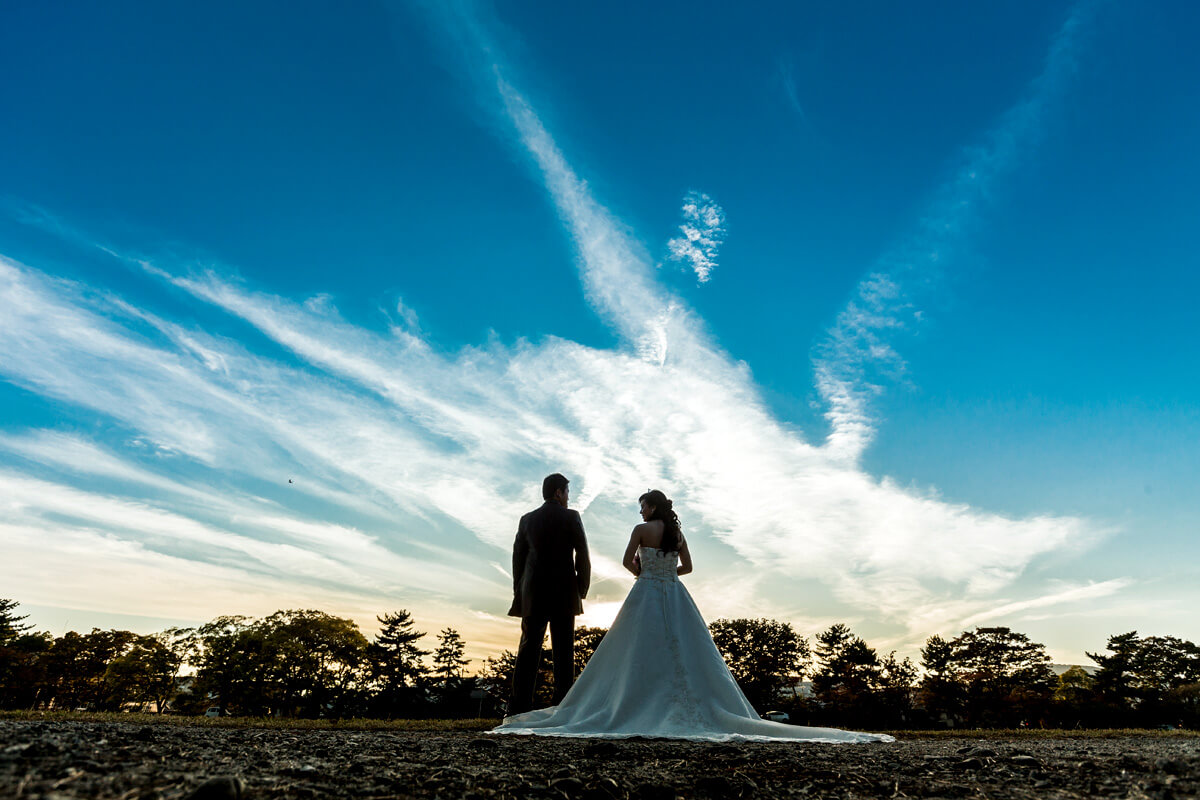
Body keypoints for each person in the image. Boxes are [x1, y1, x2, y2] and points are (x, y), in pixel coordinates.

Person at [493, 490, 893, 743]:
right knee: (686, 649)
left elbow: (625, 561)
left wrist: (644, 572)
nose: (640, 509)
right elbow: (687, 568)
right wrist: (666, 573)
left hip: (646, 590)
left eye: (642, 504)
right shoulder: (677, 535)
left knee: (634, 650)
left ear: (650, 506)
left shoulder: (640, 529)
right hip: (674, 593)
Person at [507, 473, 591, 715]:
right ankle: (563, 707)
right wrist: (581, 589)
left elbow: (518, 560)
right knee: (564, 651)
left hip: (533, 593)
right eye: (567, 492)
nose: (568, 497)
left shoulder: (527, 519)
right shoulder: (572, 516)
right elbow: (582, 555)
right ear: (558, 492)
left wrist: (519, 592)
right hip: (564, 592)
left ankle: (517, 707)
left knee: (528, 649)